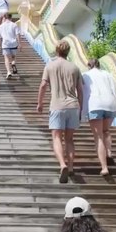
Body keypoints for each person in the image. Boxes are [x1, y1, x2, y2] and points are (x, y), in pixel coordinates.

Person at [37, 42, 83, 182]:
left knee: (56, 137)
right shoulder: (74, 67)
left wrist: (40, 103)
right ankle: (71, 168)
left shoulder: (50, 66)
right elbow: (80, 90)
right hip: (73, 106)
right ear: (68, 52)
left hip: (57, 106)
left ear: (57, 51)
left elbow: (43, 85)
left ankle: (62, 164)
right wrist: (80, 108)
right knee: (69, 139)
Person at [81, 59, 116, 177]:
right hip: (110, 104)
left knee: (98, 137)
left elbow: (84, 94)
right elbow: (115, 91)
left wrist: (82, 113)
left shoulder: (85, 75)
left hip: (95, 105)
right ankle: (109, 152)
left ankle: (104, 168)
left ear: (89, 66)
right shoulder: (107, 74)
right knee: (106, 131)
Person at [0, 13, 24, 79]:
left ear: (4, 18)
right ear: (11, 18)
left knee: (6, 58)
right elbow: (17, 35)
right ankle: (13, 63)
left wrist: (0, 44)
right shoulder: (14, 25)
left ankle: (8, 72)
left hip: (5, 44)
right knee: (13, 57)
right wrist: (20, 44)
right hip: (13, 44)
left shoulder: (1, 26)